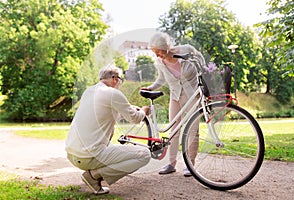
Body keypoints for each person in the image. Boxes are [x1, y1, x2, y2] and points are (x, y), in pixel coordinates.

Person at [66, 65, 151, 194]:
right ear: (115, 78)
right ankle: (93, 176)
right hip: (89, 156)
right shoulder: (113, 93)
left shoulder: (89, 91)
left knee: (111, 146)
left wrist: (129, 108)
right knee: (145, 155)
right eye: (121, 80)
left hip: (72, 153)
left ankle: (95, 174)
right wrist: (144, 111)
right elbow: (135, 118)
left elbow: (108, 112)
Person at [141, 32, 205, 176]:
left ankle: (190, 165)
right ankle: (171, 163)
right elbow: (161, 79)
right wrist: (151, 88)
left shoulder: (186, 50)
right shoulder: (159, 61)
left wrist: (205, 74)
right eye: (154, 52)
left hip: (192, 95)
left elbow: (201, 62)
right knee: (174, 130)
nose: (157, 55)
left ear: (166, 47)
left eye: (158, 51)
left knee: (192, 131)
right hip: (175, 96)